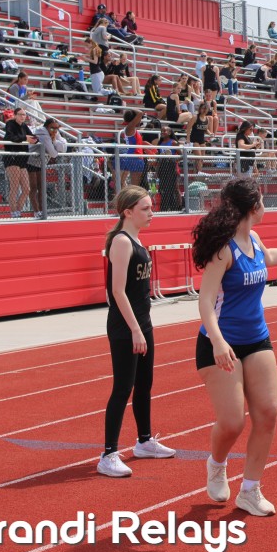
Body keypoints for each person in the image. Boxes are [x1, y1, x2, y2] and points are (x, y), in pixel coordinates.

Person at [192, 178, 277, 515]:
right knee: (233, 422)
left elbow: (269, 257)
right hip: (221, 343)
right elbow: (205, 301)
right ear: (252, 207)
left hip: (257, 339)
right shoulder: (224, 249)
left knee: (268, 413)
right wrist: (218, 341)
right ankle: (217, 464)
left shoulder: (254, 238)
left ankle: (250, 490)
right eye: (262, 202)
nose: (265, 207)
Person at [98, 185, 176, 477]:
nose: (151, 213)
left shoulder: (137, 241)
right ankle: (108, 454)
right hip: (125, 327)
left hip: (142, 323)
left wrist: (142, 326)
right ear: (128, 212)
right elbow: (117, 291)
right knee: (123, 387)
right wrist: (134, 329)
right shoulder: (121, 242)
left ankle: (144, 441)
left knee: (144, 384)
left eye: (151, 207)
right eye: (145, 209)